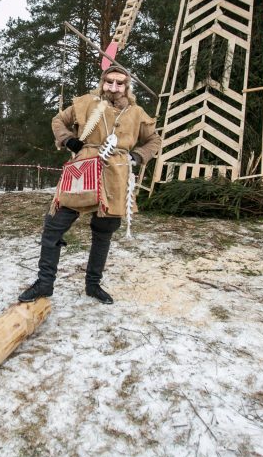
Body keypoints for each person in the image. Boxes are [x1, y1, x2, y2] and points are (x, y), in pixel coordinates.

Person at [18, 66, 162, 304]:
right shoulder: (86, 103)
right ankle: (44, 283)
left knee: (103, 233)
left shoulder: (137, 112)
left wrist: (137, 156)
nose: (113, 88)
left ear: (126, 86)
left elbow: (153, 139)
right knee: (54, 225)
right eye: (109, 82)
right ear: (102, 82)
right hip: (83, 170)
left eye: (119, 83)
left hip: (116, 175)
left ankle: (93, 285)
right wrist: (69, 140)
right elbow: (58, 120)